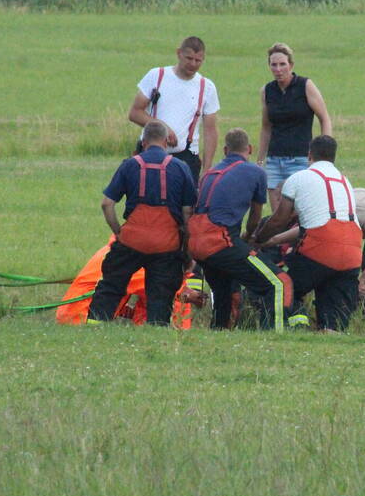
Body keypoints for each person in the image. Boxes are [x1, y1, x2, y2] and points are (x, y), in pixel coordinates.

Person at [87, 120, 197, 325]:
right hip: (167, 244)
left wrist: (118, 231)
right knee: (160, 296)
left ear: (143, 142)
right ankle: (156, 329)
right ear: (166, 142)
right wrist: (186, 249)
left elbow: (107, 204)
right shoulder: (181, 168)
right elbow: (188, 212)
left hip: (131, 241)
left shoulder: (129, 165)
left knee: (110, 287)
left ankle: (95, 325)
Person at [187, 128, 292, 331]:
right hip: (220, 240)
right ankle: (276, 333)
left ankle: (219, 331)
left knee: (224, 290)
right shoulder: (256, 172)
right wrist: (251, 238)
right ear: (250, 149)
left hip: (195, 243)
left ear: (225, 150)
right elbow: (255, 217)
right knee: (280, 283)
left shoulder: (209, 174)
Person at [254, 135, 361, 332]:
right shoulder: (345, 181)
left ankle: (276, 329)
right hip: (353, 254)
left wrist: (258, 239)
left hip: (321, 250)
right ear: (333, 156)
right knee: (333, 321)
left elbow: (280, 220)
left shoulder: (299, 178)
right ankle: (327, 333)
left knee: (283, 285)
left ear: (309, 155)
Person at [128, 36, 220, 184]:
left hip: (186, 158)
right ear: (178, 53)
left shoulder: (207, 87)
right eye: (189, 58)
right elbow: (135, 113)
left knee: (185, 207)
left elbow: (210, 131)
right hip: (149, 154)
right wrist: (162, 128)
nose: (193, 64)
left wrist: (207, 169)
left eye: (198, 60)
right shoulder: (156, 76)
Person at [256, 42, 332, 211]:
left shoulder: (305, 86)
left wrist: (324, 156)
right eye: (273, 65)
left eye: (282, 64)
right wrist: (260, 162)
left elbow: (324, 118)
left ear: (291, 65)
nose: (278, 69)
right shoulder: (267, 91)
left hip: (301, 159)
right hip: (274, 160)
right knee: (277, 215)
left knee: (300, 212)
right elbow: (266, 127)